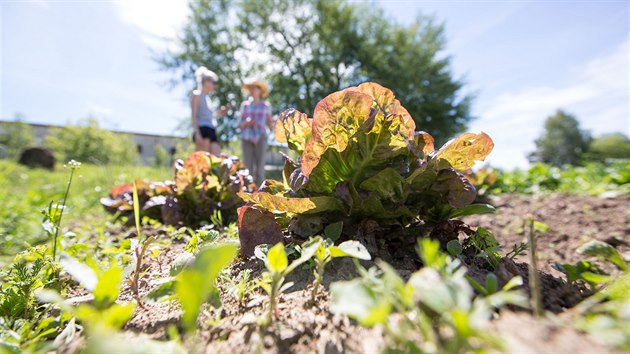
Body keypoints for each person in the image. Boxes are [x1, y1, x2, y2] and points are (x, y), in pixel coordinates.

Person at [239, 80, 273, 185]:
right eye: (251, 88)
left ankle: (259, 193)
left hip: (261, 137)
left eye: (255, 88)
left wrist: (272, 122)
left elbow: (270, 125)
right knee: (247, 168)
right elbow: (239, 124)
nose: (253, 90)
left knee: (260, 168)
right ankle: (247, 192)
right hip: (246, 137)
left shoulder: (266, 106)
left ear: (260, 91)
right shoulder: (245, 105)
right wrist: (246, 123)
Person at [191, 66, 228, 155]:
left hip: (211, 129)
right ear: (206, 81)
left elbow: (209, 116)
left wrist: (219, 113)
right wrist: (198, 134)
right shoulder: (197, 94)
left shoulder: (208, 98)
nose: (215, 85)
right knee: (203, 160)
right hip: (202, 129)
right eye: (213, 82)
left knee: (216, 156)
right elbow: (194, 115)